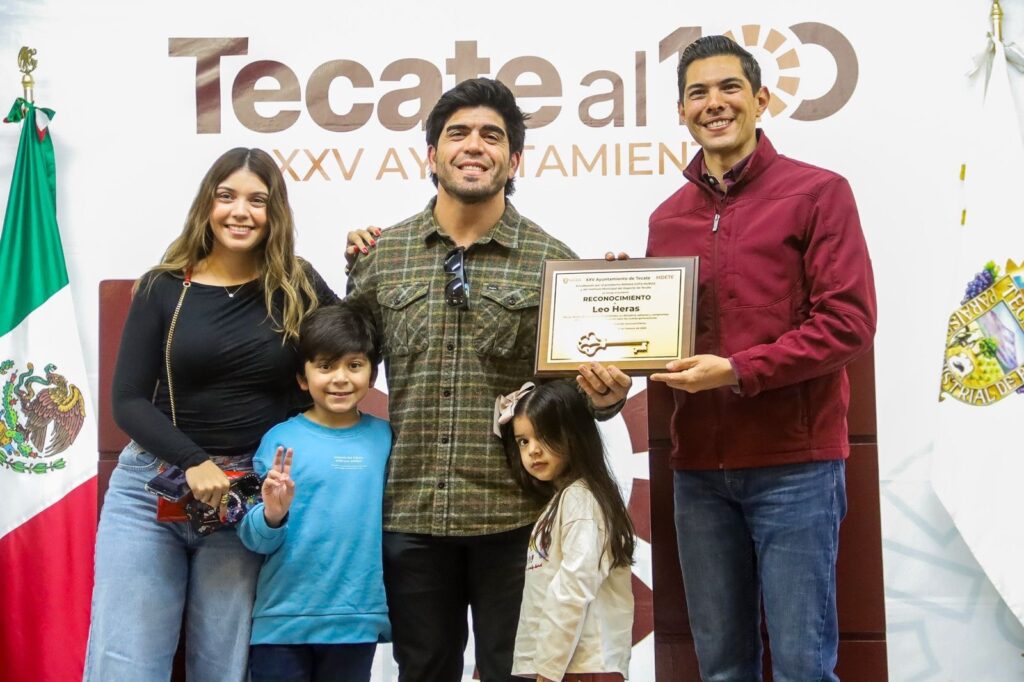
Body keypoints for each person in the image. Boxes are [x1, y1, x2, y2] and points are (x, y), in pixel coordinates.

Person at [345, 77, 632, 681]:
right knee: (422, 672)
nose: (474, 145)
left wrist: (605, 397)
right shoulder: (383, 255)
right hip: (412, 514)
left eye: (492, 136)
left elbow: (573, 395)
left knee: (516, 673)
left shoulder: (554, 260)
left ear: (514, 160)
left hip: (518, 517)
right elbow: (341, 366)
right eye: (458, 134)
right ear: (432, 155)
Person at [645, 36, 877, 681]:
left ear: (761, 99)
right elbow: (663, 336)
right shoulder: (667, 218)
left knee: (804, 669)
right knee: (722, 670)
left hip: (795, 467)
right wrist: (619, 306)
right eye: (698, 93)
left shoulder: (818, 193)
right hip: (699, 472)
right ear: (682, 111)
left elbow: (849, 323)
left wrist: (738, 370)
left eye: (730, 88)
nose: (714, 103)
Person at [85, 147, 338, 682]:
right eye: (227, 196)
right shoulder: (163, 286)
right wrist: (194, 461)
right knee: (125, 665)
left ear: (275, 212)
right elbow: (126, 400)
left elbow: (350, 353)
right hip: (152, 489)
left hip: (243, 502)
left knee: (224, 668)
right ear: (207, 204)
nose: (240, 211)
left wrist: (364, 264)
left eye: (257, 200)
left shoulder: (297, 285)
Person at [239, 301, 391, 682]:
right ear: (302, 378)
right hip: (282, 621)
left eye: (354, 365)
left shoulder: (385, 438)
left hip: (354, 622)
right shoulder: (279, 439)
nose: (340, 378)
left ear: (372, 374)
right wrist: (273, 514)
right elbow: (254, 539)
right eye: (325, 366)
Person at [495, 381, 634, 682]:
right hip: (562, 665)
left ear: (575, 434)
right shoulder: (563, 500)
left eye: (546, 436)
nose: (533, 450)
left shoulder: (582, 500)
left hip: (582, 666)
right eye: (523, 441)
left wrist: (548, 669)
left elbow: (573, 588)